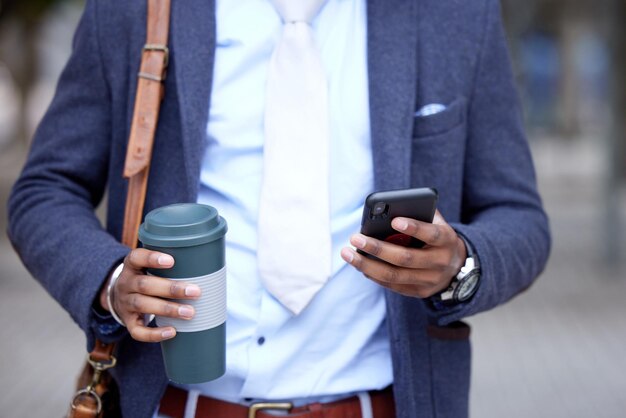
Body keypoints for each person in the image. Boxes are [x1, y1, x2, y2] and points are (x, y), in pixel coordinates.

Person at [7, 0, 551, 417]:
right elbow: (44, 190)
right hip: (176, 403)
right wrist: (113, 277)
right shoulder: (136, 9)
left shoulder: (456, 14)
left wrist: (460, 266)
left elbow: (519, 216)